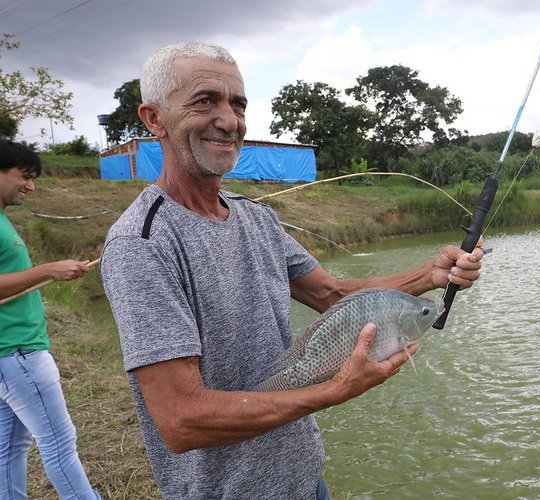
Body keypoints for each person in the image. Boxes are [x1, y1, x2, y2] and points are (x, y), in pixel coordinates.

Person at [100, 41, 484, 500]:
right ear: (154, 118)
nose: (229, 120)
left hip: (303, 476)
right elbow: (181, 419)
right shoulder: (142, 244)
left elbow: (333, 296)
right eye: (205, 101)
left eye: (238, 104)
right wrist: (334, 390)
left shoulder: (256, 218)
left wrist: (431, 275)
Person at [0, 139, 101, 499]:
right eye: (24, 177)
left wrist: (52, 272)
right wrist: (48, 269)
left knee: (9, 449)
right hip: (19, 353)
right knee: (60, 445)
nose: (30, 186)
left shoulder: (3, 221)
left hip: (11, 356)